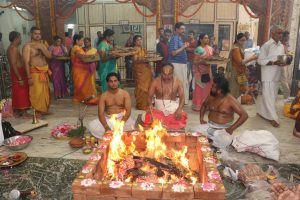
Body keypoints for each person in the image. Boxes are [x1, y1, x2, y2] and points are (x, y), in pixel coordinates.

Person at [88, 72, 135, 138]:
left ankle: (113, 135)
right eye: (111, 81)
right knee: (92, 126)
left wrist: (121, 124)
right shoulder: (103, 96)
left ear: (118, 82)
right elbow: (100, 113)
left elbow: (128, 111)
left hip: (122, 118)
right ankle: (116, 135)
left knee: (133, 125)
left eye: (115, 81)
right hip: (109, 119)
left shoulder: (125, 94)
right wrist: (106, 127)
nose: (113, 83)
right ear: (107, 83)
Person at [257, 25, 286, 127]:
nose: (280, 35)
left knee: (272, 97)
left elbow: (281, 59)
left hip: (277, 75)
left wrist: (284, 62)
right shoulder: (266, 45)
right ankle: (274, 118)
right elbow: (260, 61)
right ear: (272, 33)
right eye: (278, 33)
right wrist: (274, 63)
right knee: (268, 97)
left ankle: (262, 113)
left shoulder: (281, 46)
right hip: (268, 76)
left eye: (281, 33)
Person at [142, 63, 187, 130]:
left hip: (173, 110)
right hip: (158, 110)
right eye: (164, 74)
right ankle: (167, 124)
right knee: (147, 117)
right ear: (161, 72)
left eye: (169, 74)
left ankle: (166, 124)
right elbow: (149, 96)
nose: (166, 77)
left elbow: (182, 98)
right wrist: (150, 105)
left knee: (181, 117)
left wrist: (179, 109)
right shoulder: (155, 82)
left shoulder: (178, 82)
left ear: (173, 73)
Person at [23, 26, 52, 115]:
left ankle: (44, 110)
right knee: (37, 93)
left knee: (45, 92)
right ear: (31, 34)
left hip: (44, 71)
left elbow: (49, 56)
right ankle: (37, 111)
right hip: (35, 73)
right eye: (35, 34)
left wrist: (42, 48)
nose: (38, 36)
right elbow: (26, 63)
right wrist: (29, 77)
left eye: (39, 34)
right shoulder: (28, 46)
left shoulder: (42, 45)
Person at [7, 31, 31, 116]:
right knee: (20, 91)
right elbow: (13, 64)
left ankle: (21, 111)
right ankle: (22, 111)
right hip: (18, 73)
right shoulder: (12, 49)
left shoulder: (14, 48)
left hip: (20, 72)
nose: (21, 39)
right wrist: (19, 78)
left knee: (22, 91)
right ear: (16, 38)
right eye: (20, 38)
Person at [226, 33, 257, 98]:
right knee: (234, 92)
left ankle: (237, 105)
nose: (244, 42)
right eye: (242, 40)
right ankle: (233, 106)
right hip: (236, 73)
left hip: (241, 73)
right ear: (237, 40)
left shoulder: (240, 48)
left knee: (241, 91)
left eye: (245, 40)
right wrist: (252, 58)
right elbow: (240, 62)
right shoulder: (236, 49)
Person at [71, 34, 98, 104]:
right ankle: (80, 99)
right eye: (82, 40)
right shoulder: (76, 48)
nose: (83, 42)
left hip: (83, 71)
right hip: (78, 71)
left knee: (84, 85)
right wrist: (92, 57)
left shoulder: (79, 48)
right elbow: (81, 56)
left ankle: (85, 98)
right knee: (79, 85)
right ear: (77, 40)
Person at [168, 22, 190, 104]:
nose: (184, 30)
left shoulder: (179, 38)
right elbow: (173, 53)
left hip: (181, 64)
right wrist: (184, 47)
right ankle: (176, 103)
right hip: (176, 64)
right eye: (181, 29)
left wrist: (184, 46)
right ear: (176, 29)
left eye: (184, 28)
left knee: (183, 83)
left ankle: (180, 102)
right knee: (178, 84)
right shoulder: (175, 38)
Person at [192, 33, 214, 112]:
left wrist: (210, 60)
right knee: (199, 90)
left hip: (208, 71)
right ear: (200, 40)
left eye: (207, 38)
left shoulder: (210, 48)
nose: (207, 39)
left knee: (208, 89)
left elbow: (211, 59)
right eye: (205, 38)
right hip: (199, 72)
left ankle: (207, 106)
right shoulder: (198, 49)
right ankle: (198, 106)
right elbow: (195, 61)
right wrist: (203, 61)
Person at [132, 35, 152, 110]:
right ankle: (141, 105)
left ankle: (147, 103)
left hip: (146, 71)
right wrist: (144, 59)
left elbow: (147, 59)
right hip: (139, 71)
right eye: (138, 40)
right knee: (141, 87)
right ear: (134, 42)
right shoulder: (134, 49)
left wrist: (150, 67)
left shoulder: (143, 49)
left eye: (141, 39)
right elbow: (135, 60)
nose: (140, 41)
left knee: (147, 87)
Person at [186, 30, 198, 97]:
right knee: (188, 76)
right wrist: (191, 49)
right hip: (187, 61)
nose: (189, 35)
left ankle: (193, 91)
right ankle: (188, 91)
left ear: (193, 35)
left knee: (194, 76)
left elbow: (196, 50)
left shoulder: (196, 42)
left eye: (190, 34)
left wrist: (188, 49)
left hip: (194, 61)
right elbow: (185, 49)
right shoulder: (187, 42)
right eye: (188, 34)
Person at [280, 31, 291, 99]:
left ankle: (287, 96)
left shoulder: (285, 44)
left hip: (284, 64)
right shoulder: (281, 45)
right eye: (287, 37)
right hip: (282, 65)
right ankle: (287, 96)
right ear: (284, 37)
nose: (288, 38)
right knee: (284, 81)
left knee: (284, 80)